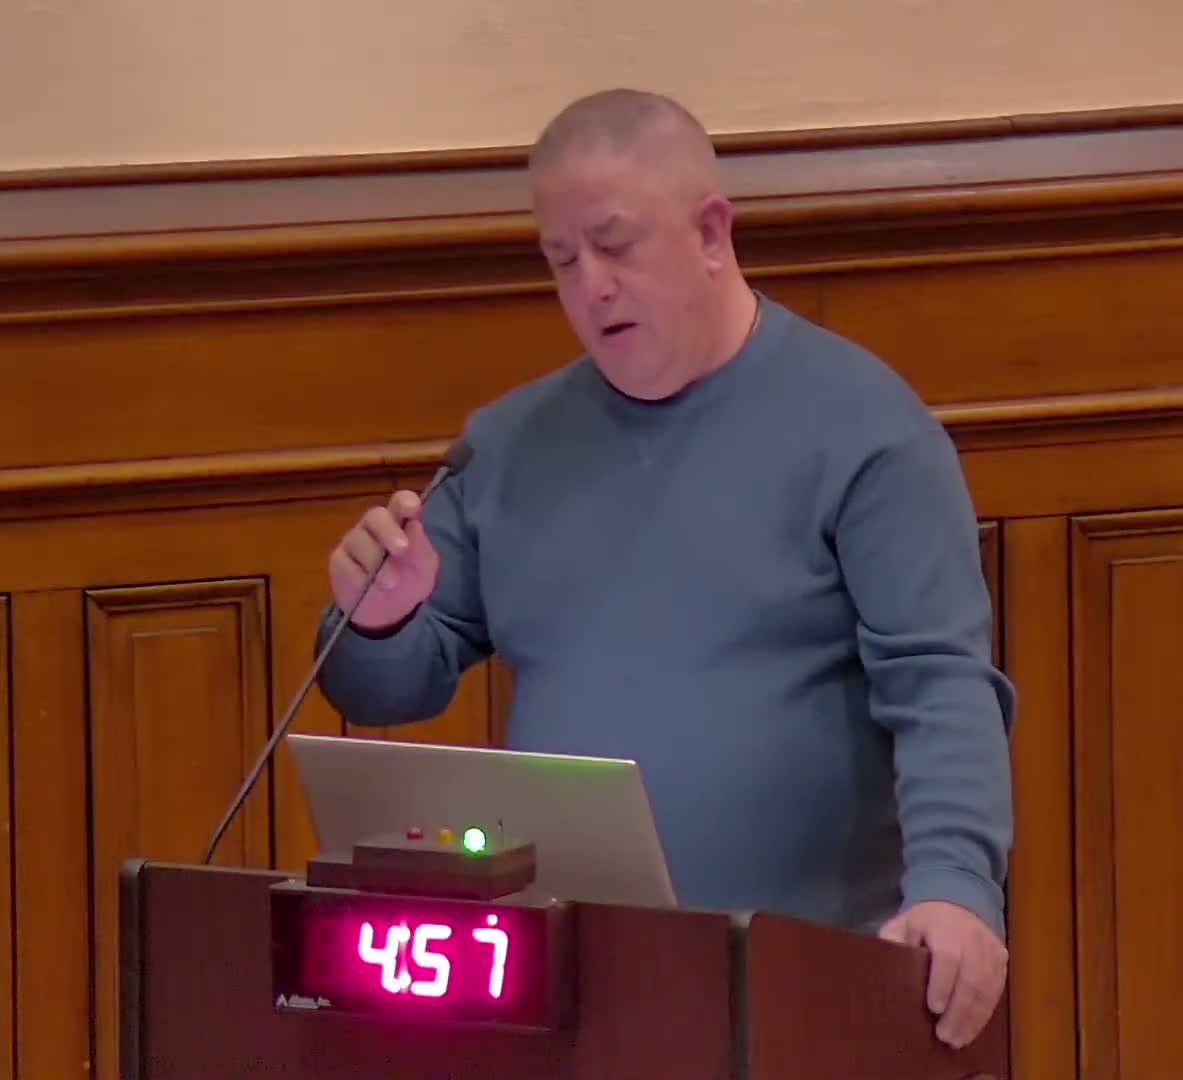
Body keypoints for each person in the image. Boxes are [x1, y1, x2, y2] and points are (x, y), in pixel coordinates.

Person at [315, 88, 1015, 1049]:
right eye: (562, 260)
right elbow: (389, 688)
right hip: (569, 994)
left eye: (616, 246)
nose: (591, 287)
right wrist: (380, 620)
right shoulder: (507, 446)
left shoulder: (866, 432)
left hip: (806, 988)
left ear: (712, 233)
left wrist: (956, 884)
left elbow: (941, 687)